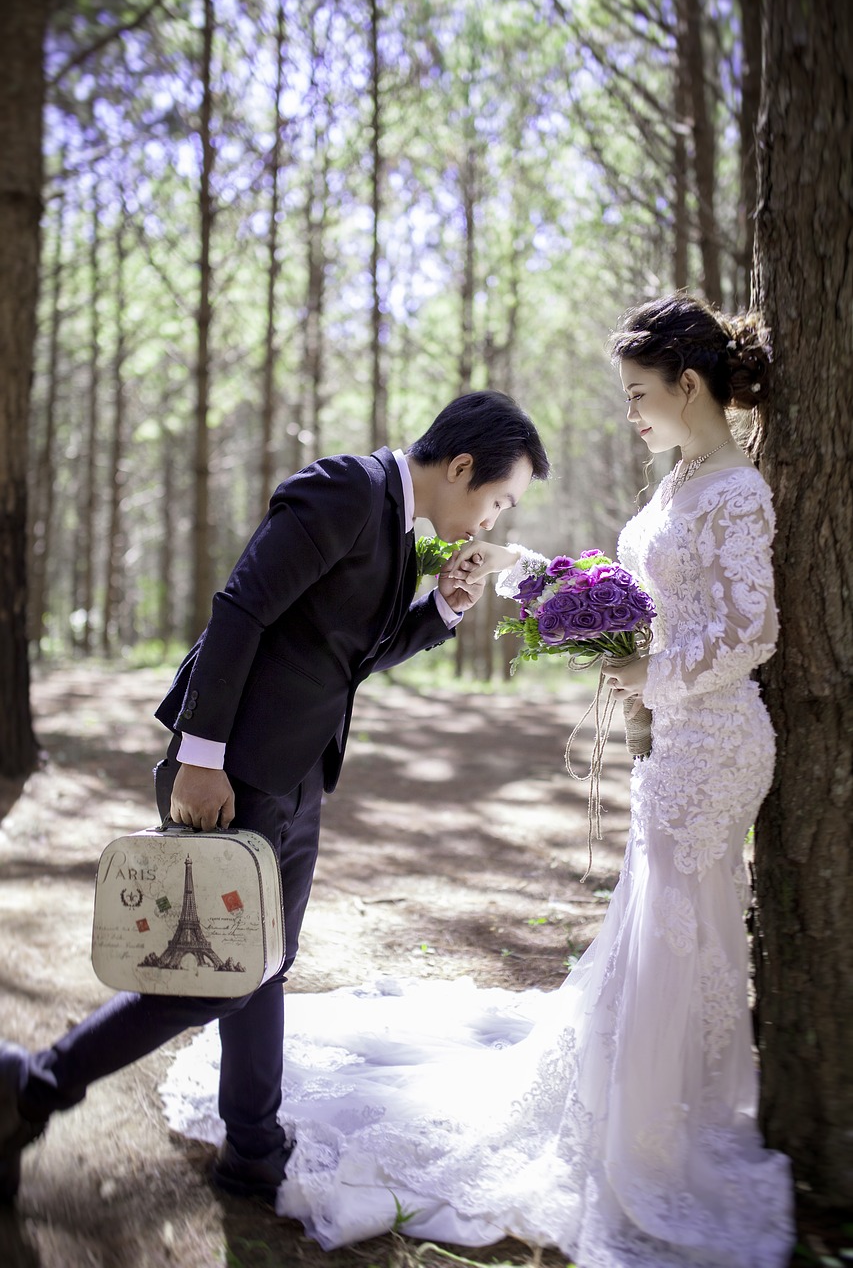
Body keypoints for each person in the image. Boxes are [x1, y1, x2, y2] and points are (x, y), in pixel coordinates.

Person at [159, 294, 795, 1267]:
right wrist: (547, 602)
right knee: (650, 936)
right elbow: (257, 615)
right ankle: (225, 1129)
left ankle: (671, 1135)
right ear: (462, 469)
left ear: (689, 385)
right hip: (667, 740)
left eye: (636, 392)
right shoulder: (673, 483)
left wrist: (642, 667)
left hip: (710, 743)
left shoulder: (733, 489)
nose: (629, 411)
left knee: (681, 940)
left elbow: (749, 630)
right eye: (496, 501)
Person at [0, 390, 550, 1206]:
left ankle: (253, 1147)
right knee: (219, 975)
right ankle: (32, 1087)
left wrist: (441, 607)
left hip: (298, 774)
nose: (493, 522)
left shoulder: (403, 531)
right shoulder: (342, 489)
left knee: (264, 964)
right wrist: (199, 755)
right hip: (234, 771)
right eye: (498, 500)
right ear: (461, 467)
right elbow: (240, 610)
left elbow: (346, 657)